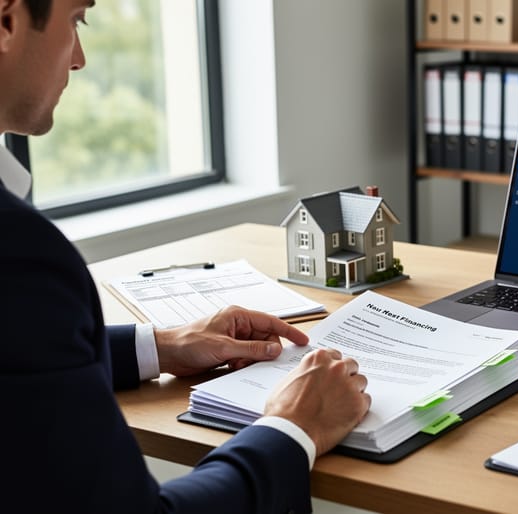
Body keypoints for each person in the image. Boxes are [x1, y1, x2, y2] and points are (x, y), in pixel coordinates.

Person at [0, 1, 371, 512]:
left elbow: (20, 354)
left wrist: (164, 346)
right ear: (7, 20)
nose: (80, 57)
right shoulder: (20, 254)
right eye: (76, 20)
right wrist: (293, 426)